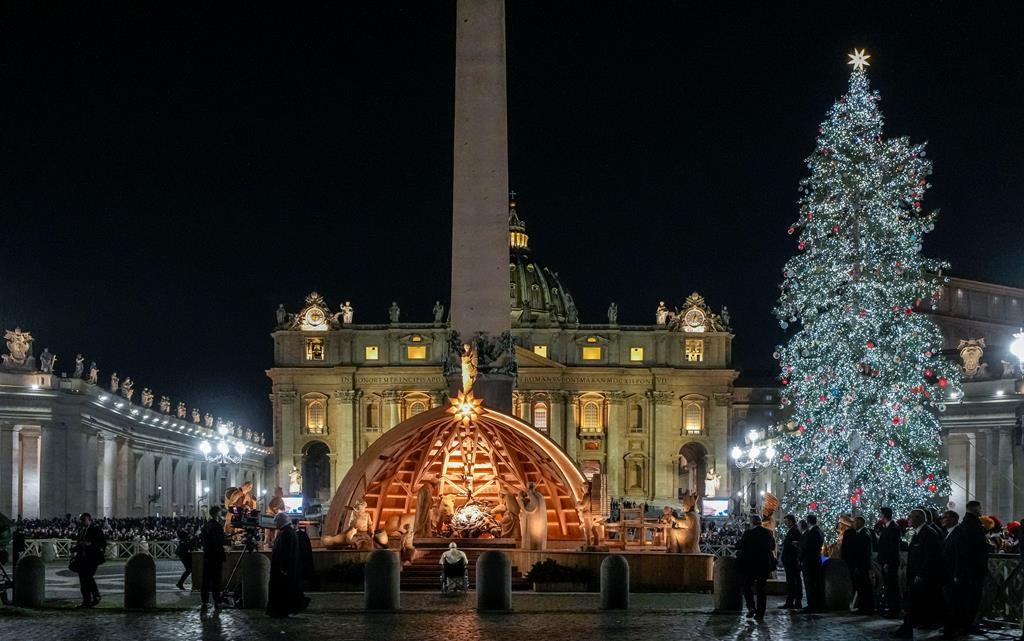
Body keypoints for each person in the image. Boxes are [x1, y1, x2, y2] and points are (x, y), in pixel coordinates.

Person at [892, 509, 943, 638]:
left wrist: (921, 574)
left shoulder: (928, 533)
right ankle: (909, 626)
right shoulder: (917, 533)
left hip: (923, 576)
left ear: (919, 518)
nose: (909, 519)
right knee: (913, 602)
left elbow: (930, 557)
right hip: (915, 575)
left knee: (920, 601)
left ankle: (914, 626)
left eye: (911, 517)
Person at [942, 502, 986, 640]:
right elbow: (963, 552)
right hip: (971, 570)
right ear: (976, 509)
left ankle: (960, 626)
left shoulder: (965, 526)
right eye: (980, 508)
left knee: (960, 601)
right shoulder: (971, 525)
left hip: (963, 571)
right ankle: (962, 626)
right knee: (966, 601)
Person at [267, 512, 310, 617]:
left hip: (283, 570)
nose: (275, 524)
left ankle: (281, 610)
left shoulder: (287, 533)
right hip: (284, 568)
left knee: (282, 590)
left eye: (276, 522)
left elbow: (286, 552)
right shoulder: (287, 532)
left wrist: (284, 567)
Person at [736, 513, 776, 620]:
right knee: (761, 589)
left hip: (750, 565)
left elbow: (739, 545)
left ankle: (751, 607)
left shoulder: (748, 533)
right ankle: (760, 613)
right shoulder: (768, 533)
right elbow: (772, 546)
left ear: (752, 522)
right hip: (764, 565)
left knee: (747, 586)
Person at [72, 513, 106, 608]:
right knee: (83, 580)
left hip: (92, 558)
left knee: (87, 577)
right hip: (82, 559)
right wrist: (74, 549)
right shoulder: (81, 530)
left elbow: (103, 542)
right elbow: (80, 543)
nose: (82, 521)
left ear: (89, 520)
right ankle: (86, 601)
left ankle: (96, 595)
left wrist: (90, 544)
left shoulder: (95, 529)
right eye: (81, 520)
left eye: (83, 519)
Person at [843, 516, 874, 614]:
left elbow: (861, 553)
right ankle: (863, 607)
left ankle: (866, 608)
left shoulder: (863, 534)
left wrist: (857, 565)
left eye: (855, 522)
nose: (853, 524)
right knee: (861, 587)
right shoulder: (860, 533)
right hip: (859, 565)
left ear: (860, 523)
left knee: (864, 587)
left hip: (861, 565)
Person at [878, 507, 903, 618]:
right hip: (886, 561)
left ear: (884, 515)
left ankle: (894, 610)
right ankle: (891, 608)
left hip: (890, 562)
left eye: (881, 514)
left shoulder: (893, 528)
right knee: (889, 586)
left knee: (892, 586)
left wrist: (887, 562)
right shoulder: (888, 527)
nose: (880, 516)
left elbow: (892, 547)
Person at [200, 506, 227, 610]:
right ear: (217, 514)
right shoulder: (217, 526)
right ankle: (217, 601)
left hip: (207, 555)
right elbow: (219, 542)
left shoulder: (206, 525)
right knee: (216, 579)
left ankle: (204, 601)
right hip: (216, 556)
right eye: (220, 513)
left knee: (206, 579)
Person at [799, 514, 825, 612]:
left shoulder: (812, 532)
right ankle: (816, 604)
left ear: (808, 522)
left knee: (810, 583)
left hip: (809, 561)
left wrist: (800, 558)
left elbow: (807, 547)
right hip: (816, 559)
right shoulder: (819, 531)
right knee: (815, 582)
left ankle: (812, 605)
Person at [779, 514, 803, 609]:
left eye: (786, 522)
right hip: (790, 560)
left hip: (792, 561)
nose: (785, 524)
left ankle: (793, 601)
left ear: (791, 521)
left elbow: (794, 545)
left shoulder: (795, 531)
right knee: (793, 581)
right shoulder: (793, 530)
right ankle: (793, 601)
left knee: (793, 581)